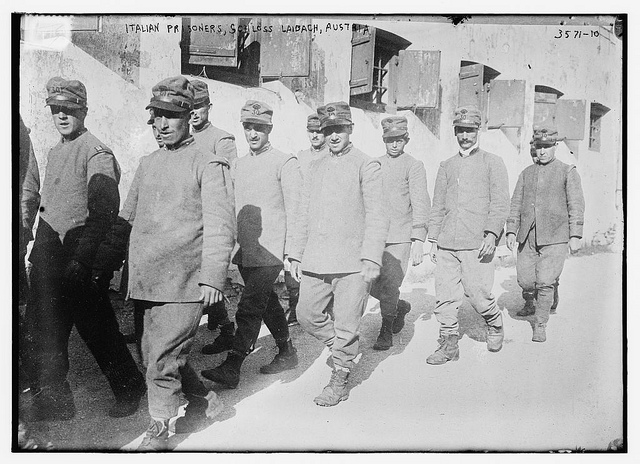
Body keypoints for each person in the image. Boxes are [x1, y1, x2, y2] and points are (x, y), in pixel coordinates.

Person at [101, 76, 235, 450]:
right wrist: (103, 266)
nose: (162, 124)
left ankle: (159, 428)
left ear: (189, 116)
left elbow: (222, 227)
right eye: (157, 115)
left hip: (186, 281)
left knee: (161, 358)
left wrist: (213, 279)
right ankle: (204, 401)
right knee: (153, 355)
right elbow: (125, 220)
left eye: (171, 116)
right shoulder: (147, 163)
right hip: (147, 280)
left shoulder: (209, 164)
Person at [25, 77, 145, 421]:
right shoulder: (55, 151)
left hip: (78, 257)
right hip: (49, 255)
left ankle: (129, 387)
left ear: (84, 111)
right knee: (46, 330)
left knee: (99, 330)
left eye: (70, 109)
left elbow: (103, 214)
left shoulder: (96, 151)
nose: (62, 116)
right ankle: (57, 400)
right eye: (56, 109)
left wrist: (83, 259)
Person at [289, 101, 388, 406]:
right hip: (317, 259)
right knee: (306, 314)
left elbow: (377, 215)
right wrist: (295, 254)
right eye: (327, 129)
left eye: (339, 129)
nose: (332, 136)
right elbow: (303, 212)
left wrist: (371, 257)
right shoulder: (314, 166)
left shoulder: (366, 164)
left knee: (346, 323)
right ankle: (344, 350)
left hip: (352, 264)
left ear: (350, 130)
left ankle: (339, 379)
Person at [201, 100, 302, 389]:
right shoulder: (238, 166)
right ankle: (286, 351)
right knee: (266, 302)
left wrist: (292, 253)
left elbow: (296, 210)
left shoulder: (285, 162)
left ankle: (233, 366)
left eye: (259, 128)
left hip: (271, 250)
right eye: (248, 127)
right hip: (245, 250)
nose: (253, 133)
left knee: (249, 305)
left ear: (269, 129)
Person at [426, 106, 509, 365]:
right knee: (445, 296)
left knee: (478, 294)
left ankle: (494, 324)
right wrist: (433, 239)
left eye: (470, 130)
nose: (465, 136)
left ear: (478, 131)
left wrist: (492, 234)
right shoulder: (447, 166)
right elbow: (438, 204)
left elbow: (500, 203)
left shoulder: (492, 162)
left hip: (477, 243)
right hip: (448, 243)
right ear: (455, 132)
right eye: (460, 131)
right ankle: (449, 344)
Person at [506, 126, 584, 342]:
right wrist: (511, 230)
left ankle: (540, 324)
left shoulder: (567, 171)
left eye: (547, 146)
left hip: (556, 236)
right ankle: (541, 295)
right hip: (528, 236)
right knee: (526, 281)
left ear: (555, 147)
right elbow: (516, 203)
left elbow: (576, 204)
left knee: (545, 281)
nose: (542, 151)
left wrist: (575, 235)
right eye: (539, 147)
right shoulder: (526, 173)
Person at [369, 115, 430, 350]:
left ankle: (385, 330)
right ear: (384, 140)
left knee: (389, 285)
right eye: (389, 140)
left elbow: (420, 202)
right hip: (375, 237)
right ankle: (400, 306)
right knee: (365, 282)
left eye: (399, 140)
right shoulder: (374, 164)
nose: (394, 145)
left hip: (400, 237)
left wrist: (418, 240)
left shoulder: (413, 165)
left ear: (406, 140)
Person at [189, 79, 239, 350]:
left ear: (209, 107)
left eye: (200, 106)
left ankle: (226, 328)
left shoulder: (222, 139)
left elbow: (228, 182)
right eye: (191, 107)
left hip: (209, 219)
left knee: (206, 272)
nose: (195, 112)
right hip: (188, 218)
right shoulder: (182, 137)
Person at [285, 112, 330, 326]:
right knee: (292, 261)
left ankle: (324, 308)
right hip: (299, 216)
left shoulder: (331, 155)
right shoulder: (300, 157)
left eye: (319, 131)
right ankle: (295, 307)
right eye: (311, 131)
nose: (315, 135)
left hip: (322, 218)